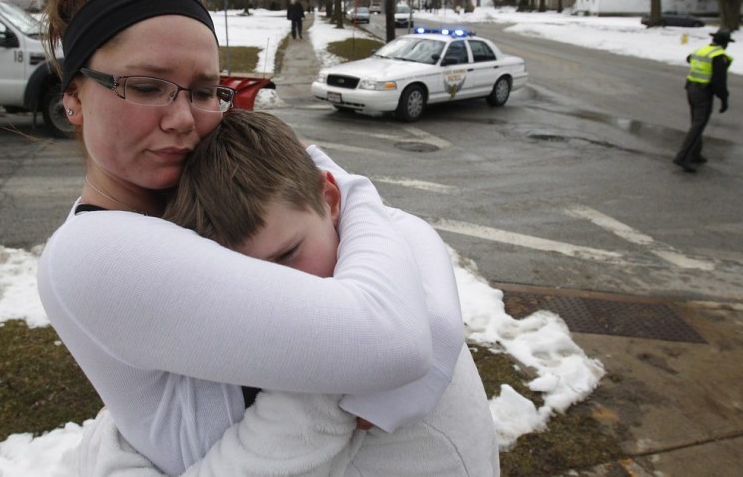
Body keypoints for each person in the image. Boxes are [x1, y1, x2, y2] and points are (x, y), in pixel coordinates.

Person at [35, 0, 470, 476]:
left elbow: (411, 231)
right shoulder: (91, 254)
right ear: (72, 97)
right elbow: (389, 334)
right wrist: (350, 187)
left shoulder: (192, 195)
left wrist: (346, 192)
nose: (182, 120)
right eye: (144, 86)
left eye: (203, 91)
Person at [77, 109, 499, 476]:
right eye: (247, 278)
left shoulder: (348, 359)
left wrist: (110, 449)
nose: (281, 291)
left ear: (330, 199)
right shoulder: (390, 261)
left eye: (287, 254)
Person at [673, 29, 735, 173]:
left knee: (696, 121)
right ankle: (682, 156)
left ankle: (695, 154)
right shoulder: (719, 57)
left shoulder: (702, 50)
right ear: (725, 43)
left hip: (691, 88)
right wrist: (724, 99)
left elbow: (689, 58)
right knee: (699, 125)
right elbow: (719, 82)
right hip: (703, 92)